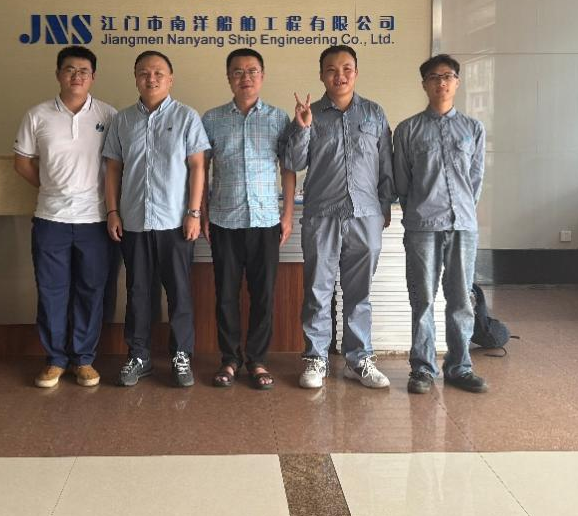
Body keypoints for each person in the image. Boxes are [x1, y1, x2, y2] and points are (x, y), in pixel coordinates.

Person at [283, 44, 394, 390]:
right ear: (321, 75)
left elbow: (386, 165)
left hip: (365, 215)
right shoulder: (310, 114)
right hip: (322, 215)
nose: (339, 75)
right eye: (331, 70)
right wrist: (302, 128)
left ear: (356, 73)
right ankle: (316, 358)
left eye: (346, 69)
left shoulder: (374, 114)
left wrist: (384, 208)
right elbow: (293, 162)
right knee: (318, 289)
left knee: (359, 292)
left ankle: (358, 360)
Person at [103, 51, 210, 388]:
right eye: (144, 73)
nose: (151, 78)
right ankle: (139, 355)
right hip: (133, 221)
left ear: (170, 79)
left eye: (158, 73)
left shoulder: (186, 117)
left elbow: (198, 166)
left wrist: (194, 212)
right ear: (135, 78)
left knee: (179, 292)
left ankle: (181, 355)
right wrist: (112, 211)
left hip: (175, 222)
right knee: (137, 291)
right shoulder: (122, 120)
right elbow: (113, 169)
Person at [13, 46, 117, 389]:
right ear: (58, 74)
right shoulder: (37, 115)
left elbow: (116, 167)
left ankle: (84, 359)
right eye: (70, 69)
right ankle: (55, 359)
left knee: (91, 291)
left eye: (84, 71)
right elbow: (22, 162)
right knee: (51, 292)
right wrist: (51, 187)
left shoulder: (109, 115)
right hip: (50, 220)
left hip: (95, 220)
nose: (77, 76)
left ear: (93, 77)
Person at [392, 53, 488, 394]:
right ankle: (422, 369)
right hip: (422, 225)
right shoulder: (407, 130)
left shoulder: (473, 129)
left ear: (457, 83)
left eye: (447, 76)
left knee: (461, 299)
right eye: (434, 77)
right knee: (423, 299)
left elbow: (475, 179)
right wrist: (417, 212)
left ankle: (460, 367)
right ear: (424, 85)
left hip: (463, 225)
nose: (441, 82)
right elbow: (402, 183)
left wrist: (462, 209)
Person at [201, 48, 296, 391]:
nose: (245, 78)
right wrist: (202, 212)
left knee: (263, 295)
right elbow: (200, 170)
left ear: (262, 76)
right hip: (224, 220)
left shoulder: (278, 118)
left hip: (266, 220)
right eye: (238, 72)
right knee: (225, 294)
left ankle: (257, 359)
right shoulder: (211, 119)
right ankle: (229, 359)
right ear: (229, 77)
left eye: (252, 71)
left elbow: (288, 168)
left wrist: (287, 214)